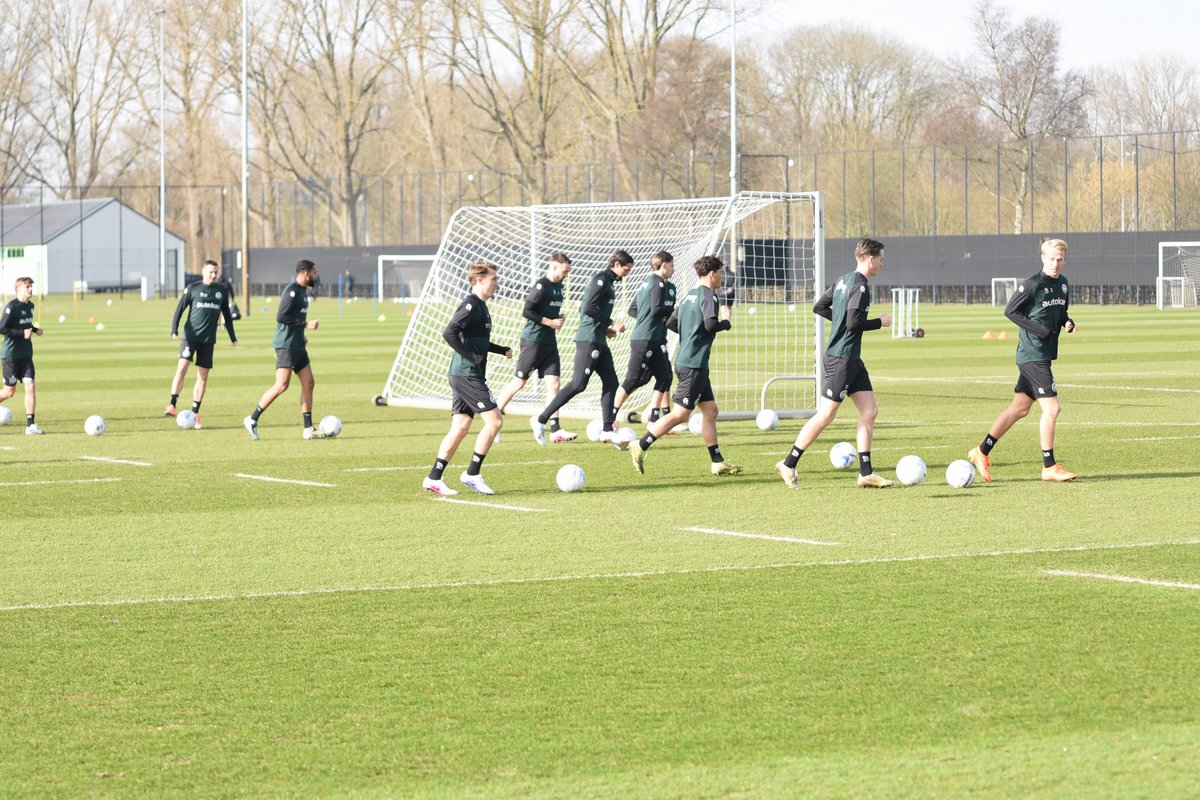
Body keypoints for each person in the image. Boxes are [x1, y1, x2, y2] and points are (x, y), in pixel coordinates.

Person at [774, 238, 894, 489]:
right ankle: (788, 463)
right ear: (870, 258)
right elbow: (853, 323)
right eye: (881, 259)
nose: (882, 264)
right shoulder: (860, 286)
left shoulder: (843, 280)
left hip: (851, 359)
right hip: (841, 359)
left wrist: (839, 320)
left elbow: (820, 306)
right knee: (826, 415)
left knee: (870, 411)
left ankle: (865, 473)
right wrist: (878, 322)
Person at [968, 238, 1077, 483]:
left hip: (1043, 355)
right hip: (1032, 355)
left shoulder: (1063, 284)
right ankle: (1049, 466)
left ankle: (981, 451)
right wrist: (1038, 330)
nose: (1055, 264)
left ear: (1064, 260)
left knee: (1019, 409)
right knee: (1053, 408)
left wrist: (1067, 322)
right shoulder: (1032, 284)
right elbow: (1010, 311)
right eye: (1051, 259)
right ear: (1042, 258)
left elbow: (1060, 312)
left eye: (1059, 259)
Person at [630, 255, 742, 477]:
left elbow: (671, 322)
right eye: (720, 272)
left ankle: (717, 461)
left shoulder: (690, 295)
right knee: (680, 415)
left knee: (710, 411)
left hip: (689, 360)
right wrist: (725, 324)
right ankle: (640, 445)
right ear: (712, 274)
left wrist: (689, 334)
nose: (722, 276)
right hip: (694, 365)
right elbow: (710, 325)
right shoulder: (710, 296)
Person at [423, 260, 513, 496]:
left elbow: (476, 340)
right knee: (495, 422)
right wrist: (470, 356)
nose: (497, 283)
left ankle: (434, 478)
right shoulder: (471, 306)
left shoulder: (482, 306)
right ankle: (472, 474)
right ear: (480, 280)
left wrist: (499, 349)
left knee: (461, 426)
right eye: (494, 278)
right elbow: (449, 333)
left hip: (462, 374)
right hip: (467, 375)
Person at [530, 249, 633, 448]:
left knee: (612, 382)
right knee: (578, 384)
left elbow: (586, 309)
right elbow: (586, 308)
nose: (627, 273)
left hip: (598, 338)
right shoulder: (600, 279)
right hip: (588, 340)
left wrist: (604, 329)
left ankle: (607, 430)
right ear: (617, 265)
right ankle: (541, 419)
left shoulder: (610, 282)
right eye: (626, 269)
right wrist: (611, 322)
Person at [493, 252, 577, 443]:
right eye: (564, 271)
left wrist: (559, 317)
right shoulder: (541, 285)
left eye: (568, 272)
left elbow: (547, 311)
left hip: (549, 342)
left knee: (554, 384)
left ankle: (555, 429)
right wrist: (550, 322)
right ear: (554, 266)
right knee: (519, 383)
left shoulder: (560, 287)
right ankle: (494, 422)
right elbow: (527, 311)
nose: (566, 275)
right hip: (533, 341)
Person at [244, 260, 325, 440]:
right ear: (305, 274)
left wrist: (301, 333)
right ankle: (252, 419)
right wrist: (305, 325)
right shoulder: (292, 291)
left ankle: (308, 429)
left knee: (309, 382)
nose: (315, 276)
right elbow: (281, 316)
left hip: (297, 344)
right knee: (281, 385)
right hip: (286, 345)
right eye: (314, 273)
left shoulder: (303, 292)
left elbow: (294, 316)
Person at [165, 259, 238, 428]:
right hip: (190, 336)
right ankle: (172, 404)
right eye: (211, 272)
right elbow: (179, 309)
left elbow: (227, 315)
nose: (213, 275)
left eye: (215, 272)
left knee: (202, 377)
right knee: (182, 367)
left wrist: (232, 337)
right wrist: (174, 329)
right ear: (204, 271)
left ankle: (195, 412)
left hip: (208, 340)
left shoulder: (221, 291)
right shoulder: (193, 288)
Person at [613, 250, 676, 427]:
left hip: (655, 338)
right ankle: (610, 417)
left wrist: (649, 317)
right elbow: (655, 310)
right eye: (671, 265)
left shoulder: (657, 283)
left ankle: (654, 419)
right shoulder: (656, 283)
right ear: (663, 265)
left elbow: (640, 310)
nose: (673, 269)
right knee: (633, 380)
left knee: (664, 377)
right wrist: (673, 310)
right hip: (645, 338)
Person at [0, 277, 44, 434]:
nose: (31, 289)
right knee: (8, 392)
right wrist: (21, 333)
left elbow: (25, 325)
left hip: (26, 355)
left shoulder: (31, 306)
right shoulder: (11, 307)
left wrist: (34, 329)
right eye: (27, 287)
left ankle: (30, 425)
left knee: (30, 385)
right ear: (18, 290)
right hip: (10, 356)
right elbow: (2, 328)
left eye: (31, 286)